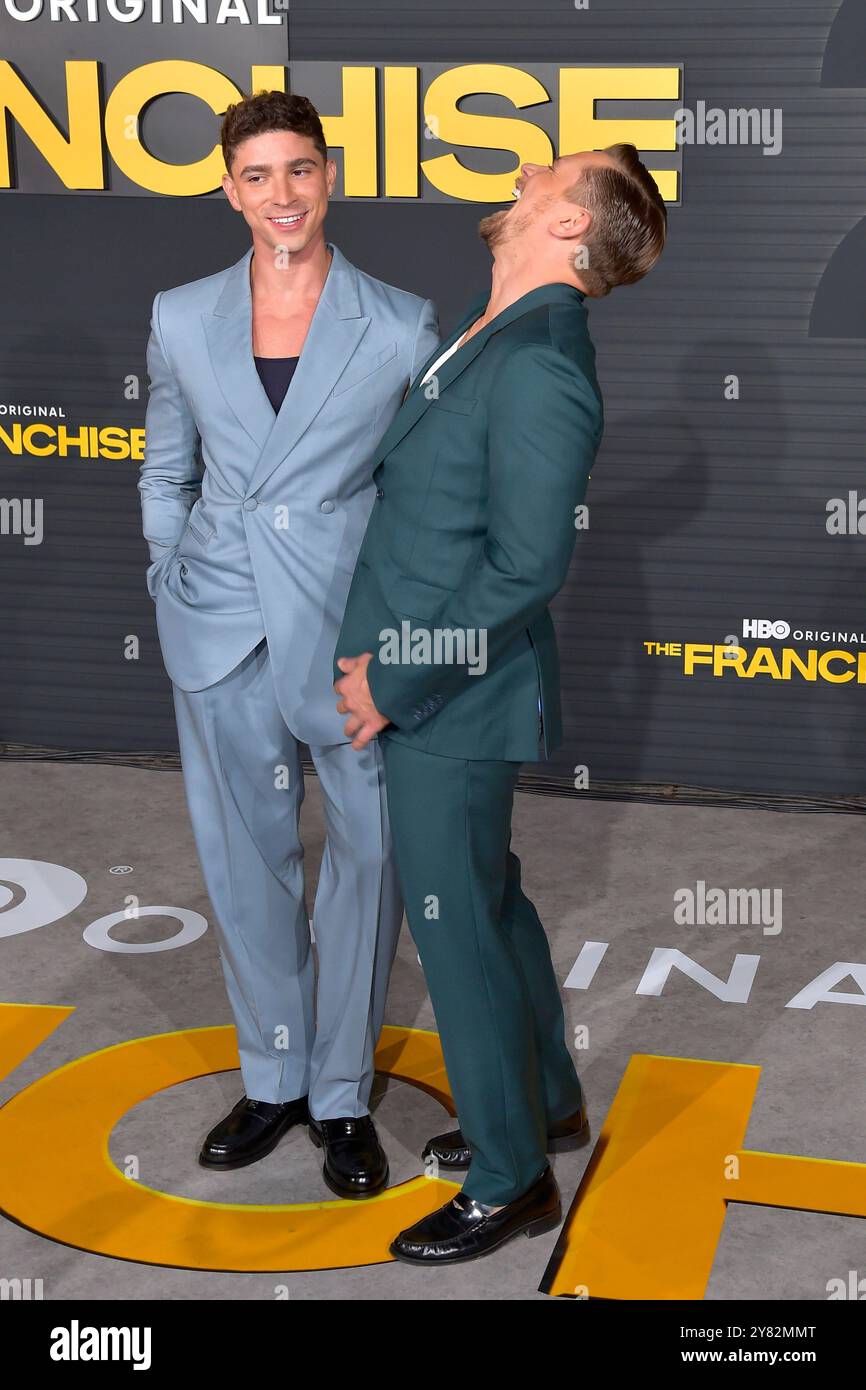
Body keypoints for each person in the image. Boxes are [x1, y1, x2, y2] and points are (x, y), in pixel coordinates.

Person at [334, 143, 667, 1259]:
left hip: (448, 700)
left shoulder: (539, 367)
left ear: (572, 228)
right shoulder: (496, 334)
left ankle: (511, 1175)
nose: (525, 170)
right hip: (434, 686)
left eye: (549, 173)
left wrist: (391, 674)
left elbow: (526, 568)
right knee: (492, 896)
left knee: (454, 926)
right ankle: (551, 1104)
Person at [139, 90, 439, 1200]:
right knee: (246, 860)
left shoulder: (400, 322)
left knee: (367, 858)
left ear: (329, 176)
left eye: (299, 171)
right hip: (217, 624)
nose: (281, 195)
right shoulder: (179, 314)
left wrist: (399, 634)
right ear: (228, 189)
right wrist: (168, 570)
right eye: (257, 176)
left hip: (345, 637)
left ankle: (342, 1092)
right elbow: (165, 462)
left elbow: (426, 494)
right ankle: (272, 1073)